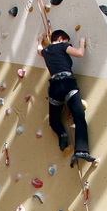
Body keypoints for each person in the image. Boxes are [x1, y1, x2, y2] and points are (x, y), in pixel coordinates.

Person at [39, 30, 94, 163]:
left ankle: (62, 134)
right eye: (66, 41)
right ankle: (81, 150)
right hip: (68, 83)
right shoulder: (63, 45)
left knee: (54, 120)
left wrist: (40, 40)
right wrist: (82, 42)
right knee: (79, 117)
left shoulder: (45, 51)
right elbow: (79, 53)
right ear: (61, 38)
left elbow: (38, 49)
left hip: (54, 87)